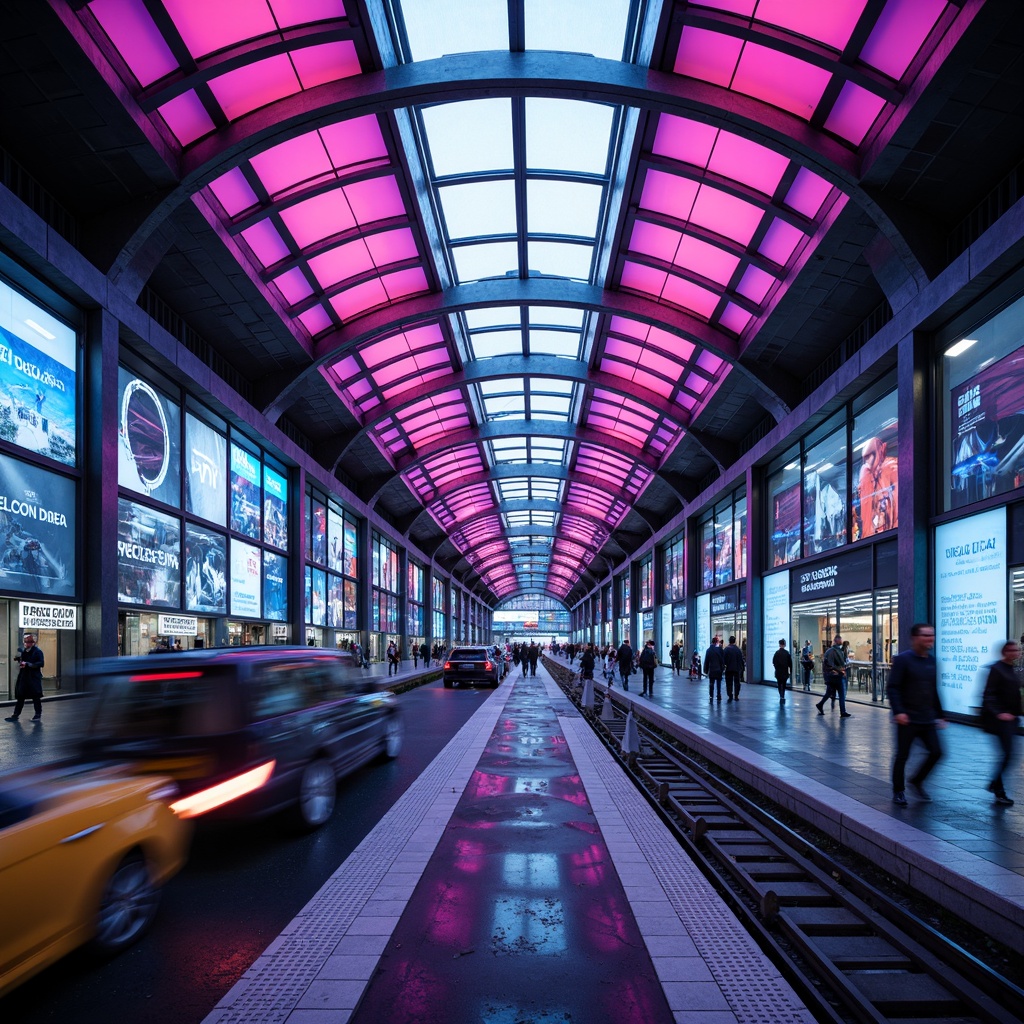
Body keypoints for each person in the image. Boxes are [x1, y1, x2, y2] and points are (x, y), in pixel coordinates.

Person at [888, 623, 944, 805]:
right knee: (902, 755)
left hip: (927, 717)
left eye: (931, 635)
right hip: (908, 719)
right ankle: (898, 791)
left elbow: (932, 689)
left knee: (937, 752)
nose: (930, 639)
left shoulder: (932, 661)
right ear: (914, 638)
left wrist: (941, 714)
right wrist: (899, 712)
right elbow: (893, 687)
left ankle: (917, 780)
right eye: (925, 635)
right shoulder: (903, 660)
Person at [981, 640, 1021, 806]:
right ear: (1004, 652)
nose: (1015, 653)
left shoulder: (1013, 669)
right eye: (1011, 650)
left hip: (1011, 719)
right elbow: (988, 695)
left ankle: (996, 787)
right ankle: (996, 786)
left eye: (1016, 650)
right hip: (999, 720)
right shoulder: (997, 669)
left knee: (1008, 755)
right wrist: (999, 713)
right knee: (1008, 754)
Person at [6, 634, 44, 722]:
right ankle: (16, 714)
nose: (27, 644)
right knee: (21, 696)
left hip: (33, 677)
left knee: (35, 696)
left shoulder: (37, 651)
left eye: (29, 642)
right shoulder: (24, 651)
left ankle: (37, 714)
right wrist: (20, 660)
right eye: (26, 642)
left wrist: (28, 664)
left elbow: (41, 663)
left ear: (33, 643)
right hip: (24, 676)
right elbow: (24, 660)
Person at [816, 635, 852, 718]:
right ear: (837, 641)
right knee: (841, 693)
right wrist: (840, 671)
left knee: (829, 693)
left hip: (832, 676)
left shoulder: (834, 651)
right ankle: (842, 711)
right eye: (840, 640)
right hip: (836, 676)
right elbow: (831, 664)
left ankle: (820, 704)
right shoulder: (834, 651)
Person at [703, 636, 725, 703]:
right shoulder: (720, 650)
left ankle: (711, 695)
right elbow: (722, 660)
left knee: (711, 683)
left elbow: (706, 661)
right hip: (718, 669)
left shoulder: (709, 650)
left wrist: (706, 670)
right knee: (718, 683)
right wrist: (722, 668)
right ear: (717, 642)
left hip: (712, 669)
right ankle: (718, 695)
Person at [723, 635, 744, 702]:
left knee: (729, 683)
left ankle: (730, 695)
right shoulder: (738, 650)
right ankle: (736, 695)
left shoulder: (726, 649)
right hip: (737, 669)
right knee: (737, 682)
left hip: (729, 668)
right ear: (735, 641)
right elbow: (741, 660)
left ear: (729, 641)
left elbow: (724, 660)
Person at [772, 639, 792, 704]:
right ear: (784, 644)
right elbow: (790, 663)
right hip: (785, 671)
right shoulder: (787, 653)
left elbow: (774, 662)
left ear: (779, 644)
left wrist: (776, 667)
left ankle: (781, 695)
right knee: (784, 684)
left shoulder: (777, 653)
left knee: (779, 683)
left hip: (778, 671)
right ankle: (782, 695)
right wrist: (790, 671)